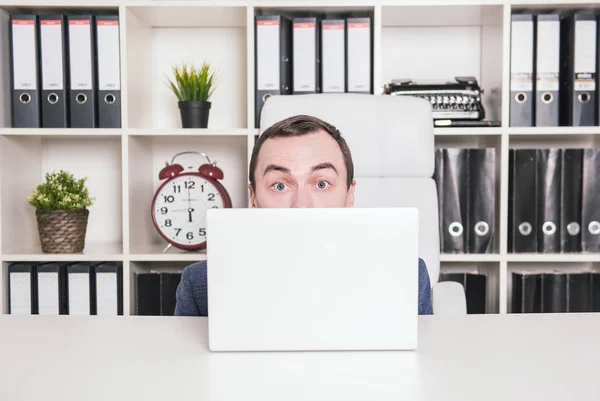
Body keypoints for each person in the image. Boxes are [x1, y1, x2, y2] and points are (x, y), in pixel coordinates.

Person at [175, 114, 433, 316]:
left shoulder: (406, 275)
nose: (301, 205)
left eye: (321, 184)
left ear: (349, 194)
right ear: (254, 198)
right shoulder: (201, 285)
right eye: (280, 185)